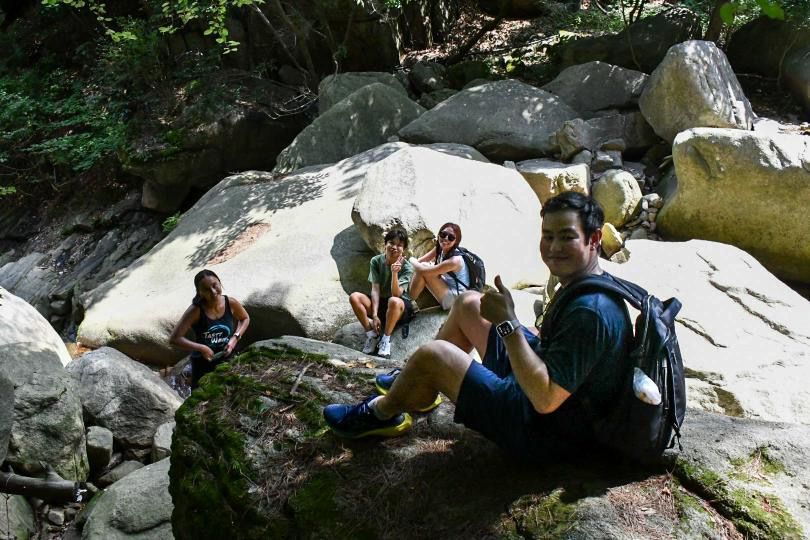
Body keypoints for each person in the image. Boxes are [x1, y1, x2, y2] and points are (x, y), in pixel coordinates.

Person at [323, 192, 634, 459]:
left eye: (567, 237)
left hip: (543, 432)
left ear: (594, 240)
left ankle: (380, 413)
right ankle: (420, 388)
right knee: (470, 302)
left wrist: (509, 324)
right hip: (544, 393)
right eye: (548, 236)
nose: (553, 247)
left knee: (435, 354)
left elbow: (545, 399)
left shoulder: (591, 312)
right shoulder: (585, 284)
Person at [170, 269, 250, 389]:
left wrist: (235, 338)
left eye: (214, 285)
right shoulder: (195, 310)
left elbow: (245, 318)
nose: (213, 292)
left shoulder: (230, 303)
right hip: (203, 363)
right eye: (206, 289)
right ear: (199, 292)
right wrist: (201, 348)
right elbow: (175, 339)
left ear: (219, 282)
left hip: (227, 356)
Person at [349, 228, 415, 359]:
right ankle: (372, 335)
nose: (395, 247)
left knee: (393, 301)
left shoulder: (407, 267)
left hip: (399, 306)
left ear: (404, 249)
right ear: (385, 244)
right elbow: (375, 289)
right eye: (391, 243)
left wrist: (395, 272)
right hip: (382, 304)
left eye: (399, 245)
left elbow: (396, 294)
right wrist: (374, 315)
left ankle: (386, 339)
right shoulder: (376, 261)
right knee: (355, 297)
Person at [408, 222, 470, 311]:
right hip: (449, 286)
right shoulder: (440, 248)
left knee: (424, 268)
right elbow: (420, 261)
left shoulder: (454, 261)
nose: (445, 239)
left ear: (456, 241)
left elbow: (421, 270)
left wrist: (411, 259)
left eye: (451, 237)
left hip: (455, 300)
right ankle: (411, 298)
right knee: (426, 266)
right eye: (443, 234)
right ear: (439, 234)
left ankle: (408, 299)